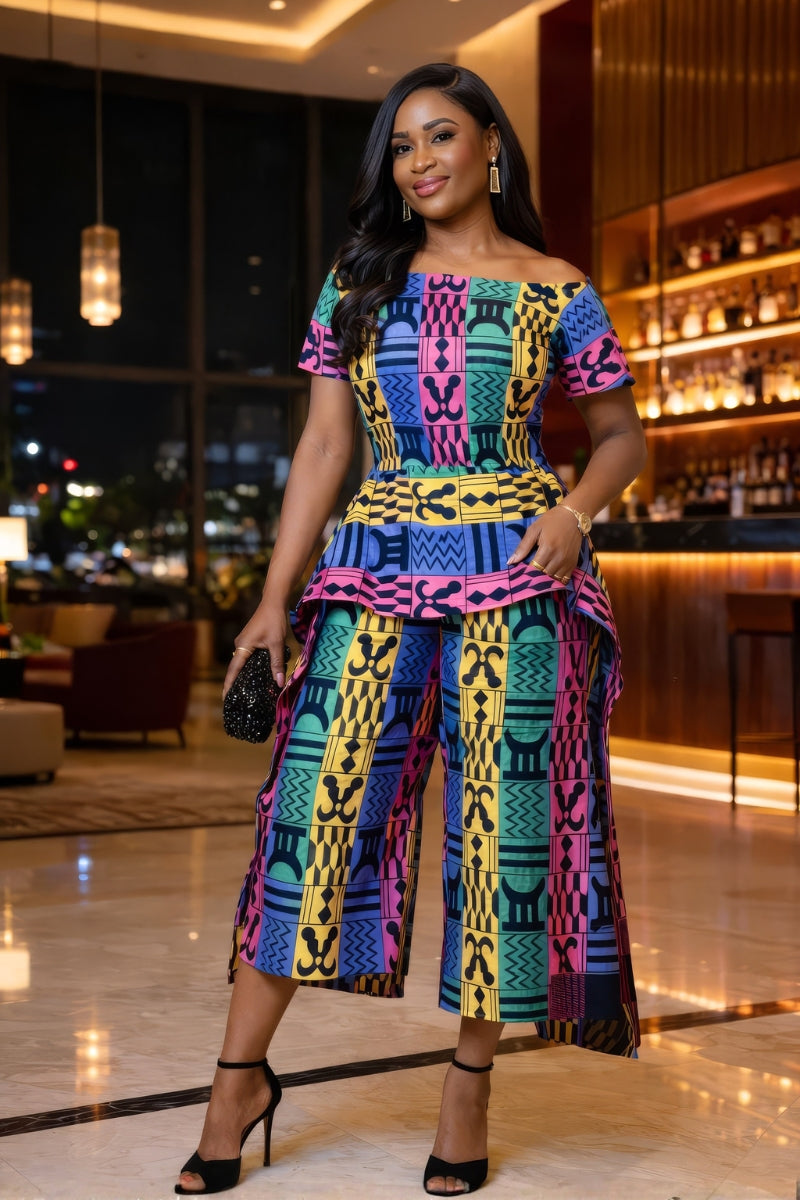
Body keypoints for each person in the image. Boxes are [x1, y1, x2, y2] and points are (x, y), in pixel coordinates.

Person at [175, 62, 647, 1197]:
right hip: (371, 577)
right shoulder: (359, 281)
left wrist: (574, 515)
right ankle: (237, 1078)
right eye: (399, 145)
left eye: (440, 136)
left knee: (503, 842)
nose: (419, 160)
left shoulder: (555, 289)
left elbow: (622, 437)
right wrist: (270, 597)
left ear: (492, 146)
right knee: (308, 829)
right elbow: (327, 449)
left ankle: (467, 1084)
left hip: (519, 583)